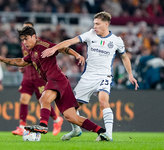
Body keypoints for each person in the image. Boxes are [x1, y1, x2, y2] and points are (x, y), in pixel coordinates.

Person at [0, 26, 106, 141]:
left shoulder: (43, 45)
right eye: (23, 40)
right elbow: (21, 62)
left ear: (34, 36)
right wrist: (3, 60)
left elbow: (61, 48)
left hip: (57, 79)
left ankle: (43, 125)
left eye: (26, 38)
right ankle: (101, 132)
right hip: (61, 83)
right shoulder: (32, 53)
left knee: (43, 99)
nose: (24, 42)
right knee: (71, 117)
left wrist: (77, 55)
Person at [42, 11, 139, 141]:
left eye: (98, 24)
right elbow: (71, 41)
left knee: (103, 101)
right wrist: (54, 48)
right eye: (94, 24)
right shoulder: (90, 34)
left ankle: (108, 134)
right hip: (88, 77)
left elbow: (125, 57)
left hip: (104, 76)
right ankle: (76, 130)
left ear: (106, 24)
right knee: (71, 109)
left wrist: (130, 75)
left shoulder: (116, 41)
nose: (95, 27)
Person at [12, 21, 63, 136]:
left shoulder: (39, 43)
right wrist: (23, 66)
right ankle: (21, 126)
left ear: (33, 32)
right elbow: (26, 58)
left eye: (28, 29)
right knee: (23, 99)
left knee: (42, 102)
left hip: (39, 77)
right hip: (27, 77)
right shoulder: (23, 43)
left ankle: (56, 119)